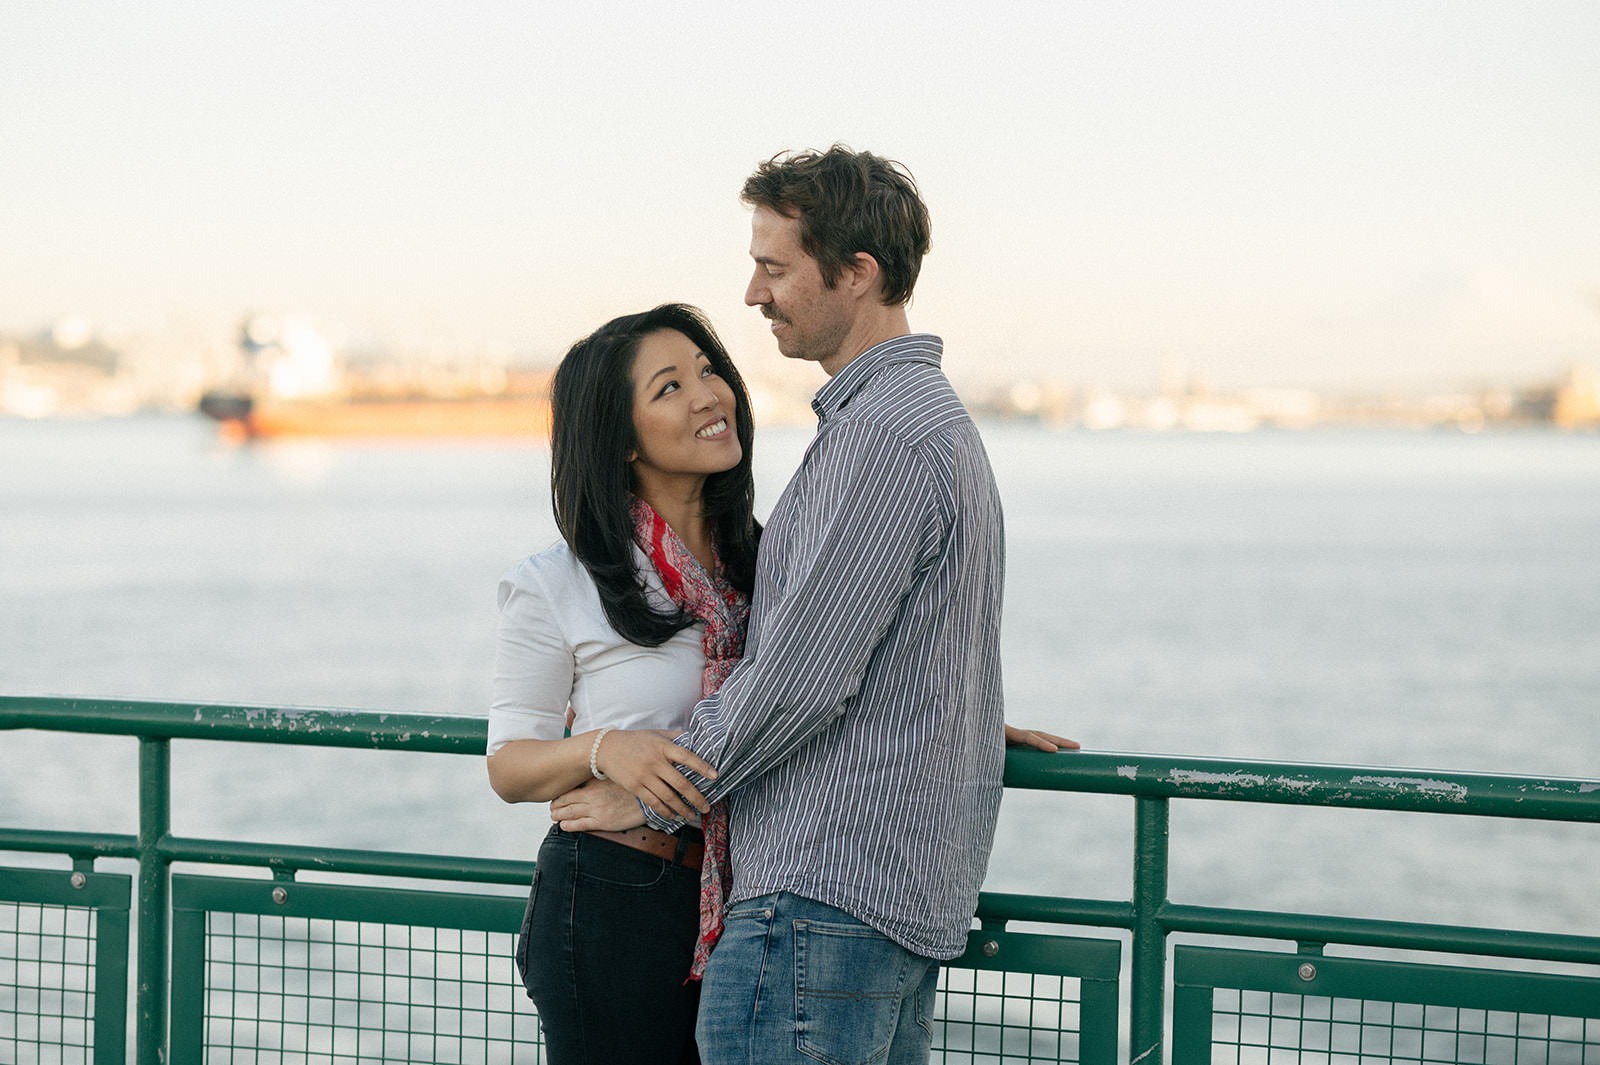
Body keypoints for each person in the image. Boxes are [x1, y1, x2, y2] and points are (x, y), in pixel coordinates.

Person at [550, 145, 1076, 1065]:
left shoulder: (879, 439)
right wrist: (957, 718)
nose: (754, 294)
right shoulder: (923, 422)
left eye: (776, 266)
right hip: (882, 901)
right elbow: (873, 649)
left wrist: (649, 797)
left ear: (858, 272)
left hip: (820, 900)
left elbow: (799, 680)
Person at [486, 303, 759, 1064]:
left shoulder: (774, 565)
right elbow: (510, 765)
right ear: (621, 438)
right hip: (616, 899)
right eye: (670, 387)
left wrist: (944, 714)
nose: (709, 394)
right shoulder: (555, 583)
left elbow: (818, 690)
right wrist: (612, 750)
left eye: (709, 370)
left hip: (757, 897)